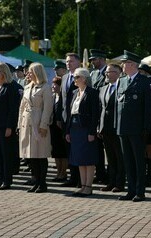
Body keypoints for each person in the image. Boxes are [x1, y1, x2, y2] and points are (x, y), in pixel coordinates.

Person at [116, 50, 151, 202]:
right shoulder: (122, 81)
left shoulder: (145, 82)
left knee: (139, 161)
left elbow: (149, 107)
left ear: (132, 64)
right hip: (123, 127)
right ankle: (131, 190)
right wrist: (116, 125)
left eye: (125, 63)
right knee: (128, 160)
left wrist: (146, 127)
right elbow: (118, 105)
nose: (123, 66)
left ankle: (140, 190)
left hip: (137, 128)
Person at [18, 62, 53, 193]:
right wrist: (19, 125)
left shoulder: (45, 87)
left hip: (38, 122)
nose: (28, 74)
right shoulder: (27, 87)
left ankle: (42, 183)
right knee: (30, 155)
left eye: (30, 71)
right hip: (27, 123)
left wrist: (43, 125)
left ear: (37, 72)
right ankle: (35, 180)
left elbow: (48, 108)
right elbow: (21, 108)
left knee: (40, 155)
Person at [65, 68, 99, 197]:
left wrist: (92, 132)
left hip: (85, 128)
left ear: (84, 78)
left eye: (77, 77)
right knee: (79, 157)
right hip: (75, 128)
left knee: (88, 158)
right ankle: (83, 185)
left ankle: (88, 186)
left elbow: (95, 114)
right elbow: (69, 113)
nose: (74, 79)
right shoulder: (74, 92)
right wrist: (67, 131)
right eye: (74, 77)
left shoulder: (92, 93)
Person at [0, 62, 20, 190]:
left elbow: (13, 109)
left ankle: (7, 180)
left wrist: (10, 126)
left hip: (5, 126)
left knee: (6, 153)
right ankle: (0, 179)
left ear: (4, 72)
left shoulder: (11, 87)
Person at [98, 63, 125, 192]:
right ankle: (111, 181)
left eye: (110, 72)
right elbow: (101, 109)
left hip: (118, 127)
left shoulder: (122, 87)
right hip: (106, 128)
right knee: (110, 157)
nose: (106, 74)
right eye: (106, 72)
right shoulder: (103, 88)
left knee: (119, 157)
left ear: (118, 73)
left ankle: (119, 183)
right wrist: (99, 126)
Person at [60, 53, 80, 188]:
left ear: (78, 62)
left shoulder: (82, 76)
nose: (68, 64)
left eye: (71, 61)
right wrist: (59, 117)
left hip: (77, 119)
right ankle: (72, 177)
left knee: (78, 149)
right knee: (69, 149)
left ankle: (80, 179)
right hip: (65, 118)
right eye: (67, 61)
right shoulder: (65, 77)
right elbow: (62, 99)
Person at [89, 49, 108, 184]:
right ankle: (100, 173)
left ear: (101, 59)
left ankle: (111, 175)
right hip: (95, 113)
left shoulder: (110, 73)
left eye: (94, 59)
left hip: (106, 114)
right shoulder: (93, 74)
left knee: (110, 148)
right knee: (97, 147)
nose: (92, 62)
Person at [138, 63, 151, 187]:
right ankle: (144, 175)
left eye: (142, 71)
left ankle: (149, 176)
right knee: (141, 150)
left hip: (150, 122)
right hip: (139, 123)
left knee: (149, 149)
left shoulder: (149, 83)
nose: (139, 73)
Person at [50, 76, 68, 182]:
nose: (53, 86)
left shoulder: (62, 97)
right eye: (53, 84)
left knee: (63, 152)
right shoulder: (52, 97)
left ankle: (63, 173)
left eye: (56, 84)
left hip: (61, 128)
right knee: (55, 152)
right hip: (53, 127)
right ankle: (58, 172)